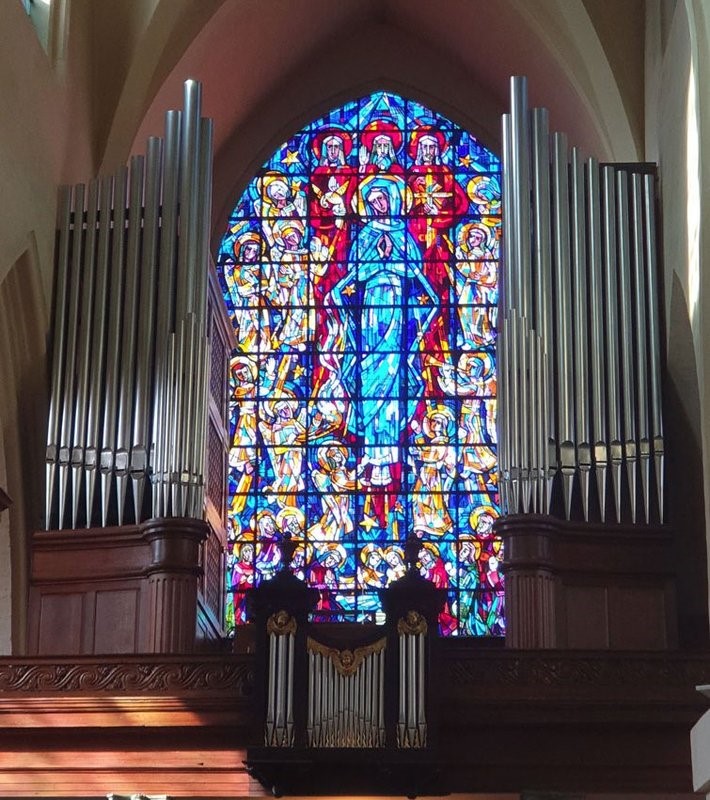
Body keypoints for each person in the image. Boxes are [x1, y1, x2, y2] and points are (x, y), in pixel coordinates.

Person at [325, 173, 438, 527]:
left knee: (391, 381)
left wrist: (391, 263)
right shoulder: (364, 236)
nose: (377, 206)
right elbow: (354, 276)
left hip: (396, 312)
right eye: (372, 201)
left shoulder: (403, 236)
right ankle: (372, 456)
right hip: (370, 313)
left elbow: (415, 274)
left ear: (393, 201)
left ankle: (387, 458)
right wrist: (374, 266)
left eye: (382, 200)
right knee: (369, 381)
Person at [409, 406, 457, 537]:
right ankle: (420, 525)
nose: (435, 424)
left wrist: (419, 454)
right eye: (433, 421)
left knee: (435, 501)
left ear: (444, 426)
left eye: (439, 422)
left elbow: (435, 456)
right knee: (418, 498)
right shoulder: (434, 440)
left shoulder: (443, 441)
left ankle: (443, 524)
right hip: (424, 472)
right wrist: (418, 433)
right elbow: (425, 450)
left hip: (432, 474)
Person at [310, 443, 356, 540]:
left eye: (339, 453)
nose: (338, 456)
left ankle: (339, 537)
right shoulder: (325, 475)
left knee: (343, 519)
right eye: (335, 455)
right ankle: (331, 539)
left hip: (344, 499)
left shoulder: (342, 470)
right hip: (333, 501)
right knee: (335, 519)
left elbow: (349, 480)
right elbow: (343, 484)